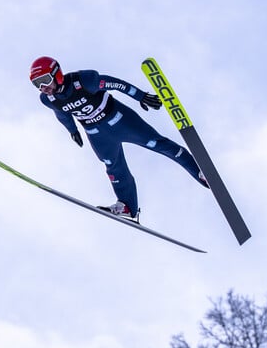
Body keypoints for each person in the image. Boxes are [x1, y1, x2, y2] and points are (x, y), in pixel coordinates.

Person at [28, 56, 208, 223]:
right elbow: (62, 114)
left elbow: (114, 83)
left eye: (45, 80)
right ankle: (127, 206)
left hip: (120, 120)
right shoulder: (47, 98)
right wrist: (72, 131)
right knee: (113, 166)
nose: (43, 87)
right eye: (37, 84)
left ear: (56, 74)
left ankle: (199, 171)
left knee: (157, 143)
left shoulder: (83, 80)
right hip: (96, 133)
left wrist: (140, 96)